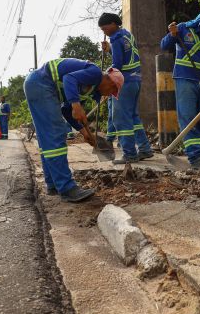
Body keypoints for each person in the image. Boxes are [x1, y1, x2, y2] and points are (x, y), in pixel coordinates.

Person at [23, 58, 123, 203]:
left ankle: (53, 184)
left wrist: (84, 132)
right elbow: (68, 78)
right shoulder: (95, 73)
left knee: (47, 138)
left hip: (37, 84)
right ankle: (66, 188)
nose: (110, 94)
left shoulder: (90, 89)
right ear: (108, 80)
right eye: (113, 89)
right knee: (56, 133)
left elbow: (67, 112)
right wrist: (76, 105)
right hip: (42, 83)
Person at [160, 8, 200, 171]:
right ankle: (195, 156)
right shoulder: (182, 28)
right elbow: (164, 45)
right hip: (184, 79)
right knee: (188, 118)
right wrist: (171, 34)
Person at [98, 12, 154, 164]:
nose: (104, 32)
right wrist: (109, 50)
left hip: (123, 82)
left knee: (121, 119)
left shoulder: (115, 39)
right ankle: (144, 149)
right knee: (133, 117)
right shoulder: (127, 35)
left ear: (113, 24)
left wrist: (105, 78)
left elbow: (117, 65)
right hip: (135, 81)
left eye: (104, 28)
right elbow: (125, 56)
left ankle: (129, 154)